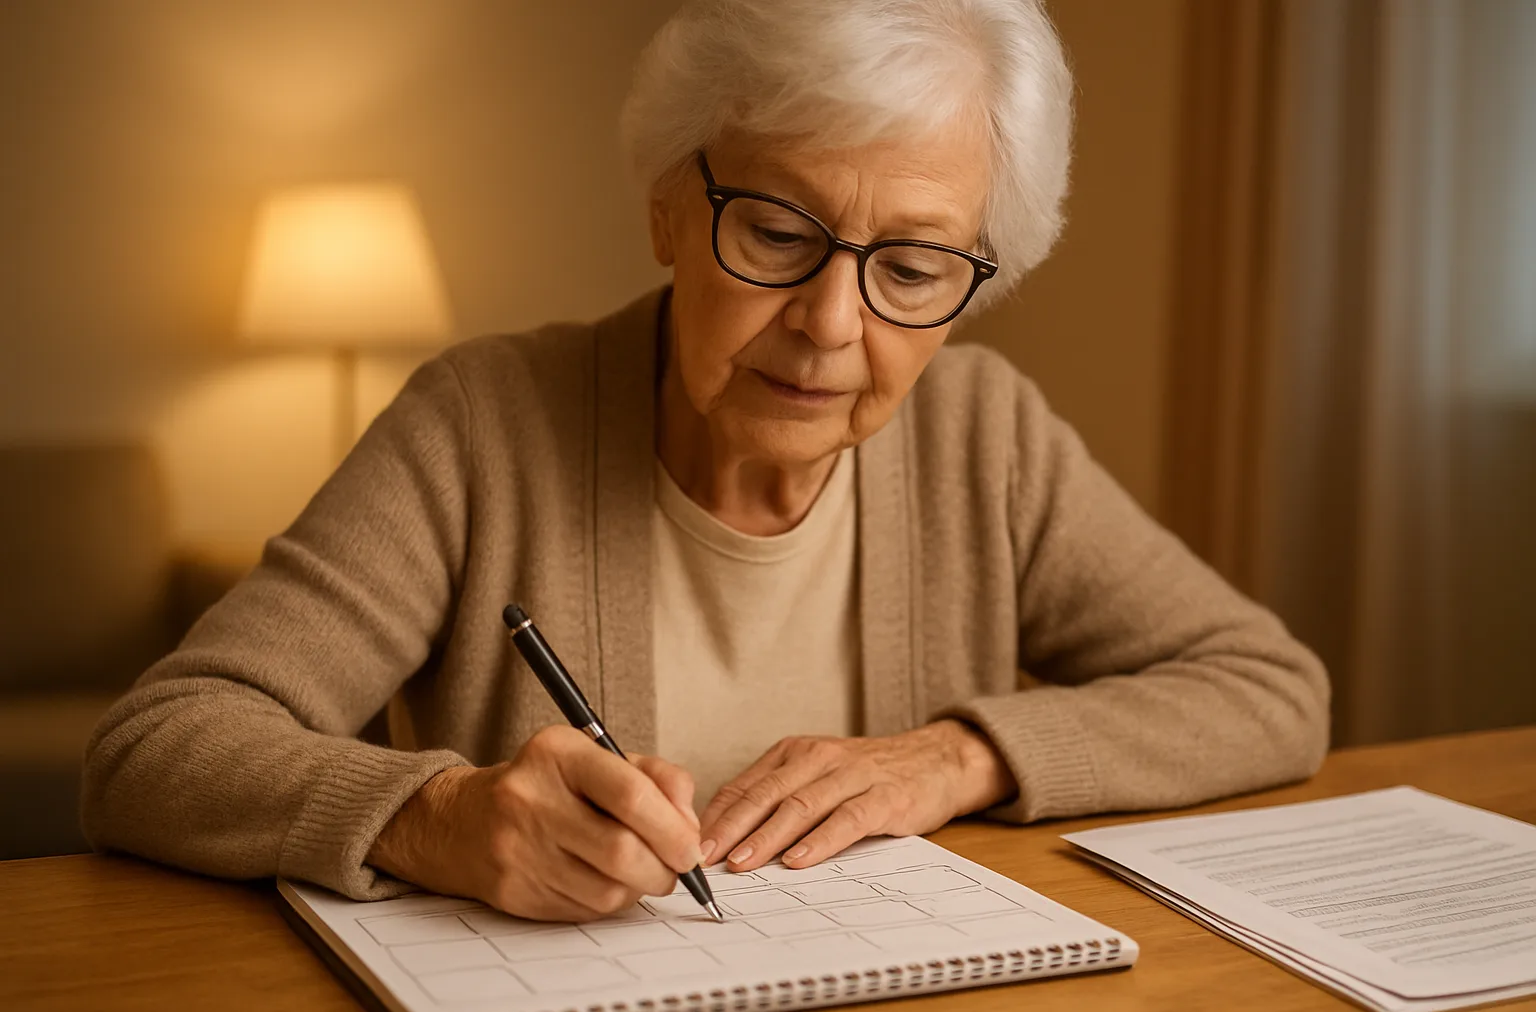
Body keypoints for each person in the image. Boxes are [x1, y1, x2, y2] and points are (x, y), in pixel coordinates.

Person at [81, 0, 1328, 923]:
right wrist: (435, 817)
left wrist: (959, 753)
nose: (833, 324)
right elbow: (159, 748)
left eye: (910, 267)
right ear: (670, 205)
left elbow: (1269, 688)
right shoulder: (481, 425)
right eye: (781, 232)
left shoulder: (984, 436)